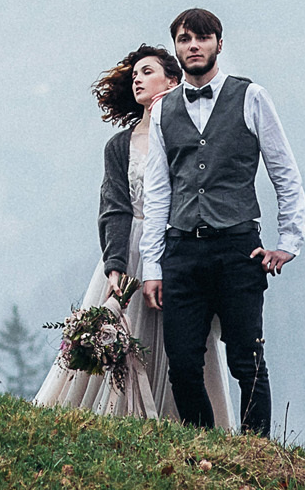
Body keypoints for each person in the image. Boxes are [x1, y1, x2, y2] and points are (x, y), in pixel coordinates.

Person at [33, 45, 233, 424]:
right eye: (134, 75)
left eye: (147, 71)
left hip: (182, 251)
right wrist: (115, 265)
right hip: (131, 254)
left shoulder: (194, 136)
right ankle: (117, 417)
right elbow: (113, 207)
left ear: (173, 80)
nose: (137, 79)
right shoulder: (119, 146)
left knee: (188, 347)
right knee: (122, 339)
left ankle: (188, 423)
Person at [140, 7, 305, 437]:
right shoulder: (163, 111)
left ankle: (256, 451)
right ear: (176, 49)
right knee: (182, 363)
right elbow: (158, 192)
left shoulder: (251, 97)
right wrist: (151, 267)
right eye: (184, 39)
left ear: (218, 43)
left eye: (201, 38)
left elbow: (284, 171)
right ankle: (206, 448)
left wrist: (288, 241)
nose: (192, 46)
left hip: (237, 247)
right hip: (182, 251)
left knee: (246, 359)